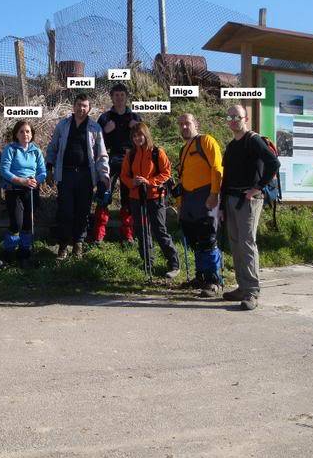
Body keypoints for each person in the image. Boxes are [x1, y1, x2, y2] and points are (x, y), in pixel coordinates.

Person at [220, 104, 281, 310]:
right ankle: (242, 286)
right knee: (235, 243)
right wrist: (221, 205)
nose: (233, 120)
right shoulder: (231, 146)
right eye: (230, 117)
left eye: (237, 116)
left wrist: (257, 188)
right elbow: (226, 177)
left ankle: (252, 291)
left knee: (246, 243)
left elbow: (273, 163)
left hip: (248, 200)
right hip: (232, 198)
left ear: (245, 119)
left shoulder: (253, 140)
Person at [45, 93, 110, 260]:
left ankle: (78, 244)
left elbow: (101, 155)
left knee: (83, 211)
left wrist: (104, 177)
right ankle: (63, 245)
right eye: (79, 105)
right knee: (65, 211)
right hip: (65, 174)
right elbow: (52, 147)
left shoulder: (95, 128)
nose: (82, 108)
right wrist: (49, 167)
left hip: (86, 176)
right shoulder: (63, 125)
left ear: (89, 108)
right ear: (73, 106)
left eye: (85, 106)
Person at [120, 123, 180, 278]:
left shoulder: (157, 152)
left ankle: (174, 264)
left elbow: (166, 173)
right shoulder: (130, 155)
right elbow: (124, 175)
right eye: (134, 136)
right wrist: (132, 182)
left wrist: (149, 181)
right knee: (142, 231)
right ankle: (148, 265)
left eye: (140, 135)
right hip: (136, 197)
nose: (137, 138)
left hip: (155, 197)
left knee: (159, 230)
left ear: (146, 135)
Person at [176, 113, 224, 298]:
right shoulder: (184, 148)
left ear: (196, 123)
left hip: (206, 196)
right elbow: (182, 178)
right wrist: (180, 204)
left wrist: (214, 194)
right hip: (189, 199)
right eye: (181, 124)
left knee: (208, 239)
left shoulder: (206, 141)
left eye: (187, 123)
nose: (184, 127)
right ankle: (201, 277)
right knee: (196, 240)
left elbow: (217, 168)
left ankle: (214, 281)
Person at [93, 83, 142, 244]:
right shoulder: (105, 117)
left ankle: (128, 235)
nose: (119, 98)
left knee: (128, 197)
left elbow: (145, 140)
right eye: (116, 95)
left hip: (130, 160)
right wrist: (105, 131)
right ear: (112, 98)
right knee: (103, 194)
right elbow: (95, 142)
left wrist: (137, 129)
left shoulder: (134, 117)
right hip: (110, 158)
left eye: (122, 95)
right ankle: (99, 235)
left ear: (126, 97)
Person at [0, 120, 47, 266]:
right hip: (14, 190)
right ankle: (9, 252)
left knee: (27, 223)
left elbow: (42, 171)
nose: (25, 134)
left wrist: (35, 181)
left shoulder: (36, 151)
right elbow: (3, 170)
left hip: (31, 190)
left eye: (28, 131)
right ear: (16, 134)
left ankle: (24, 252)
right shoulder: (10, 149)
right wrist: (20, 180)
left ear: (31, 134)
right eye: (21, 131)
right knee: (16, 224)